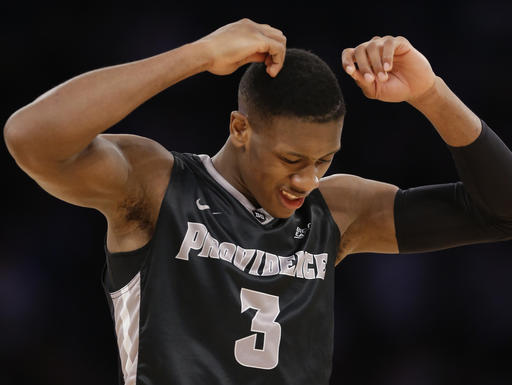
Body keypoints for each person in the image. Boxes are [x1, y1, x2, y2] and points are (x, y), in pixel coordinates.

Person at [4, 18, 512, 385]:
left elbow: (501, 211)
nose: (308, 179)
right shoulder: (157, 185)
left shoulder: (336, 212)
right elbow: (31, 137)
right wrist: (198, 55)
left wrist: (431, 94)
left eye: (324, 161)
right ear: (240, 128)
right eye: (292, 159)